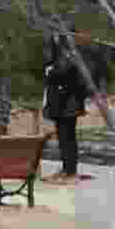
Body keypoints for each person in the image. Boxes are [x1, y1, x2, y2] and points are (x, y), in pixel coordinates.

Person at [41, 38, 95, 178]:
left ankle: (69, 169)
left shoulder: (69, 51)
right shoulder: (62, 50)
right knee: (65, 137)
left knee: (67, 137)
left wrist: (50, 73)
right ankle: (68, 167)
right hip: (65, 103)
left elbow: (64, 74)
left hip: (67, 104)